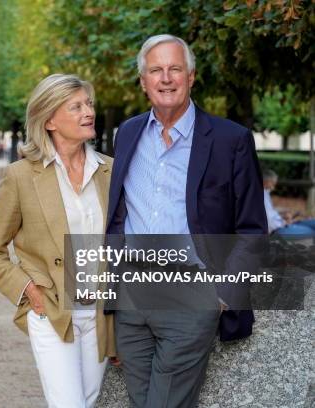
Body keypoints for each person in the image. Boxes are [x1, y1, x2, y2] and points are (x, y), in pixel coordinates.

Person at [105, 34, 267, 407]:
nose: (166, 78)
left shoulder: (231, 139)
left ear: (191, 77)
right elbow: (118, 215)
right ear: (143, 81)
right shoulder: (127, 133)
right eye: (156, 70)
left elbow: (252, 229)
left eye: (175, 69)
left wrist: (223, 294)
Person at [0, 74, 117, 408]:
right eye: (77, 106)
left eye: (89, 104)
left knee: (89, 400)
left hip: (100, 314)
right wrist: (30, 291)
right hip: (52, 311)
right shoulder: (22, 176)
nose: (89, 112)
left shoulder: (111, 171)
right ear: (50, 119)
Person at [263, 169, 315, 236]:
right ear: (265, 181)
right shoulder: (261, 195)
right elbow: (270, 223)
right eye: (272, 184)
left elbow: (270, 214)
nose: (273, 188)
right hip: (279, 229)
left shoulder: (265, 194)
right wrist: (285, 222)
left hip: (283, 224)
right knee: (312, 232)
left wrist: (284, 215)